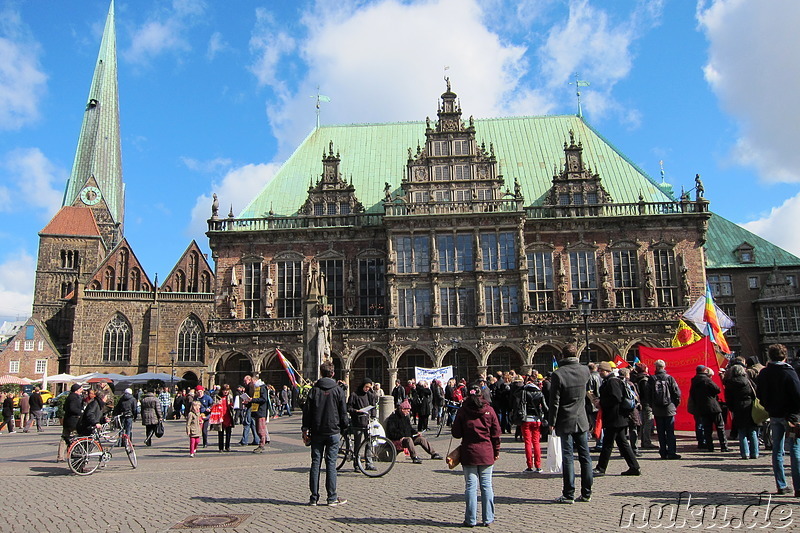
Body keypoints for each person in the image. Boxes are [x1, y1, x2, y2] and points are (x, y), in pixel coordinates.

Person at [548, 344, 593, 503]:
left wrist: (551, 421)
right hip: (581, 418)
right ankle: (587, 493)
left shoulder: (558, 374)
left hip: (565, 419)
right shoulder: (585, 370)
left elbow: (554, 401)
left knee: (567, 457)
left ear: (562, 355)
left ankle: (569, 494)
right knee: (585, 456)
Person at [452, 384, 501, 527]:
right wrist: (496, 451)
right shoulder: (489, 411)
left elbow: (456, 433)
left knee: (471, 487)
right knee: (486, 486)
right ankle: (488, 518)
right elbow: (496, 434)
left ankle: (470, 519)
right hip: (486, 452)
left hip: (469, 452)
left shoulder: (463, 410)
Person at [302, 361, 349, 507]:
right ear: (333, 373)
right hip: (333, 431)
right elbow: (343, 412)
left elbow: (307, 412)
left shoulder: (314, 390)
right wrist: (345, 427)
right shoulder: (338, 390)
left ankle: (314, 498)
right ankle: (332, 498)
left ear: (321, 373)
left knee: (315, 463)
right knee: (331, 464)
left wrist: (305, 429)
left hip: (317, 432)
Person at [757, 343, 800, 496]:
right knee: (795, 450)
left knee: (777, 450)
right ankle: (798, 487)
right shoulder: (789, 372)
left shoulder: (764, 373)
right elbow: (797, 395)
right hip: (790, 418)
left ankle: (781, 485)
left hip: (774, 415)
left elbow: (759, 394)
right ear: (785, 355)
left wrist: (768, 407)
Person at [593, 362, 641, 476]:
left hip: (615, 417)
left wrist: (601, 402)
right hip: (617, 418)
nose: (600, 373)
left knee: (608, 444)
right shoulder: (610, 381)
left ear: (607, 371)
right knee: (622, 443)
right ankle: (634, 467)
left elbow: (616, 398)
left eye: (601, 370)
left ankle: (601, 468)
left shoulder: (612, 381)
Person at [384, 399, 442, 463]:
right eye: (407, 411)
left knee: (421, 439)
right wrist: (402, 436)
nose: (408, 412)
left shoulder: (406, 417)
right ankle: (414, 457)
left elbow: (410, 428)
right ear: (403, 409)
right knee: (409, 439)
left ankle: (433, 454)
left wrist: (416, 433)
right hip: (398, 439)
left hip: (407, 437)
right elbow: (392, 432)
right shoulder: (393, 418)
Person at [689, 365, 728, 452]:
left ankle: (710, 446)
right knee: (720, 426)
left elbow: (692, 394)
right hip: (713, 406)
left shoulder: (694, 381)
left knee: (707, 428)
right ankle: (724, 446)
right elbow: (717, 389)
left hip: (702, 407)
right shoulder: (706, 380)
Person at [724, 363, 759, 459]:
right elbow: (754, 392)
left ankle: (745, 453)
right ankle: (755, 453)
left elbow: (728, 398)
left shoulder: (730, 383)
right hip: (750, 406)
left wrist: (731, 408)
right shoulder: (748, 381)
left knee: (742, 431)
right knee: (752, 430)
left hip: (737, 407)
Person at [649, 359, 681, 460]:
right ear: (664, 367)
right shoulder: (669, 378)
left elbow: (648, 394)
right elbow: (676, 393)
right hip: (669, 407)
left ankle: (663, 451)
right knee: (670, 431)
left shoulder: (652, 378)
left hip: (657, 409)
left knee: (660, 431)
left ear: (656, 367)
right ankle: (672, 452)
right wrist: (674, 404)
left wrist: (653, 405)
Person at [517, 376, 547, 473]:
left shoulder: (524, 393)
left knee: (528, 443)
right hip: (537, 420)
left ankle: (529, 465)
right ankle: (538, 466)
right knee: (536, 443)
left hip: (526, 419)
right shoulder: (539, 393)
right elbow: (545, 407)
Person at [347, 377, 377, 471]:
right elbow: (348, 407)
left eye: (369, 387)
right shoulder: (354, 395)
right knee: (358, 444)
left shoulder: (369, 395)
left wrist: (373, 416)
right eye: (366, 387)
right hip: (358, 422)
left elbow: (373, 407)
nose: (367, 389)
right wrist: (356, 411)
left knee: (369, 442)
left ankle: (369, 462)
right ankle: (356, 463)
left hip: (367, 422)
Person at [631, 362, 656, 449]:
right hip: (646, 404)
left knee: (644, 423)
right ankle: (646, 441)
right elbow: (646, 393)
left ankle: (644, 440)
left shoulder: (636, 378)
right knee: (648, 422)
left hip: (641, 403)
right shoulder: (644, 379)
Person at [58, 383, 84, 462]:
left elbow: (65, 408)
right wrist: (81, 412)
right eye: (80, 389)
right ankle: (73, 455)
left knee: (65, 438)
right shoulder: (74, 397)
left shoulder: (70, 397)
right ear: (76, 390)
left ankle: (60, 456)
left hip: (68, 421)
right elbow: (72, 408)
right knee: (73, 439)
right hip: (73, 422)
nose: (81, 391)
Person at [211, 384, 234, 452]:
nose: (226, 392)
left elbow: (232, 404)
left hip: (228, 416)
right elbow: (213, 404)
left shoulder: (230, 396)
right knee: (220, 432)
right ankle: (221, 447)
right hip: (220, 416)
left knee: (228, 432)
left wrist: (232, 406)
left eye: (227, 390)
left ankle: (227, 446)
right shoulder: (217, 397)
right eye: (224, 390)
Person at [250, 379, 271, 453]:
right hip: (257, 411)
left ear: (255, 380)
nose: (251, 384)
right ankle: (262, 443)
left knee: (260, 429)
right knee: (258, 429)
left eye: (251, 382)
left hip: (261, 412)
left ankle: (262, 445)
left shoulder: (262, 388)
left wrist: (252, 400)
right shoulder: (257, 388)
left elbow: (264, 399)